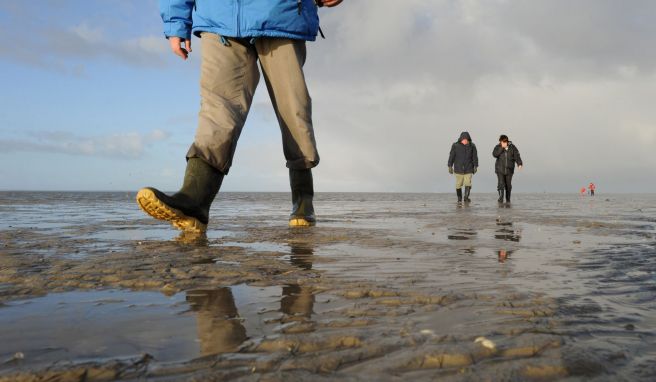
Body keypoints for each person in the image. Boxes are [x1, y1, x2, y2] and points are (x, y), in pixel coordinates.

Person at [136, 0, 343, 233]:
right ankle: (195, 199)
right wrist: (175, 22)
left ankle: (303, 200)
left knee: (294, 107)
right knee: (217, 110)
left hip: (281, 12)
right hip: (219, 17)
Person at [448, 132, 478, 204]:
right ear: (460, 139)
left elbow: (475, 157)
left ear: (468, 139)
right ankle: (459, 198)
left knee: (468, 183)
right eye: (463, 139)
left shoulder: (472, 146)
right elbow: (451, 156)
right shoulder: (455, 145)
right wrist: (450, 166)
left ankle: (466, 197)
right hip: (458, 169)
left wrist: (475, 165)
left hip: (469, 168)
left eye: (466, 139)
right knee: (458, 184)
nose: (465, 141)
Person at [493, 135, 523, 203]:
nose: (503, 143)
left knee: (508, 185)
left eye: (504, 142)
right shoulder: (498, 147)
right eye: (502, 142)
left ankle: (508, 199)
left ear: (507, 141)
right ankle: (500, 198)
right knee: (501, 184)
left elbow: (517, 156)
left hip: (509, 170)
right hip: (500, 169)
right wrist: (502, 148)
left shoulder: (512, 147)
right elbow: (494, 154)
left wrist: (519, 163)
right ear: (500, 141)